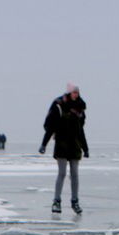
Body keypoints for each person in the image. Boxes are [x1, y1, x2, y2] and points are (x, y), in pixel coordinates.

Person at [39, 83, 89, 215]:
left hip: (75, 145)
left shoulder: (80, 109)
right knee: (62, 173)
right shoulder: (60, 106)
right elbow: (51, 127)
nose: (75, 95)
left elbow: (80, 131)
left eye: (77, 93)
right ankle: (56, 201)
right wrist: (44, 144)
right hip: (62, 144)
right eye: (73, 92)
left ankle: (75, 201)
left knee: (75, 175)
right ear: (69, 93)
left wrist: (85, 148)